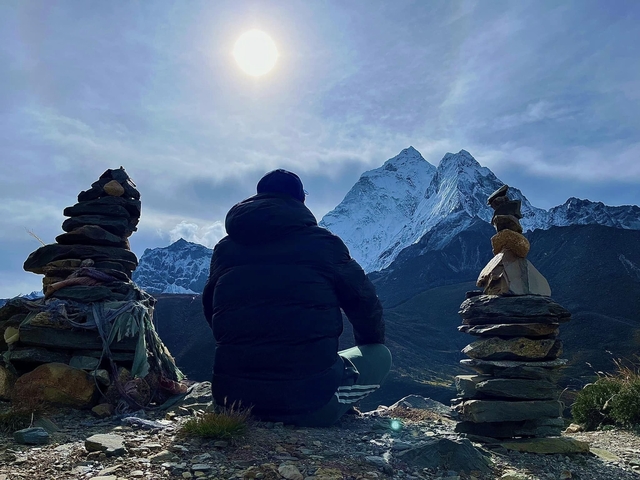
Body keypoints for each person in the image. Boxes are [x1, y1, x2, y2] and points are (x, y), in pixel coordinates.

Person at [202, 169, 391, 426]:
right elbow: (365, 303)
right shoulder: (324, 244)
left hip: (231, 403)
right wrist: (369, 343)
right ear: (301, 200)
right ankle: (334, 404)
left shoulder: (224, 250)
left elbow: (210, 309)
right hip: (307, 407)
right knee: (380, 354)